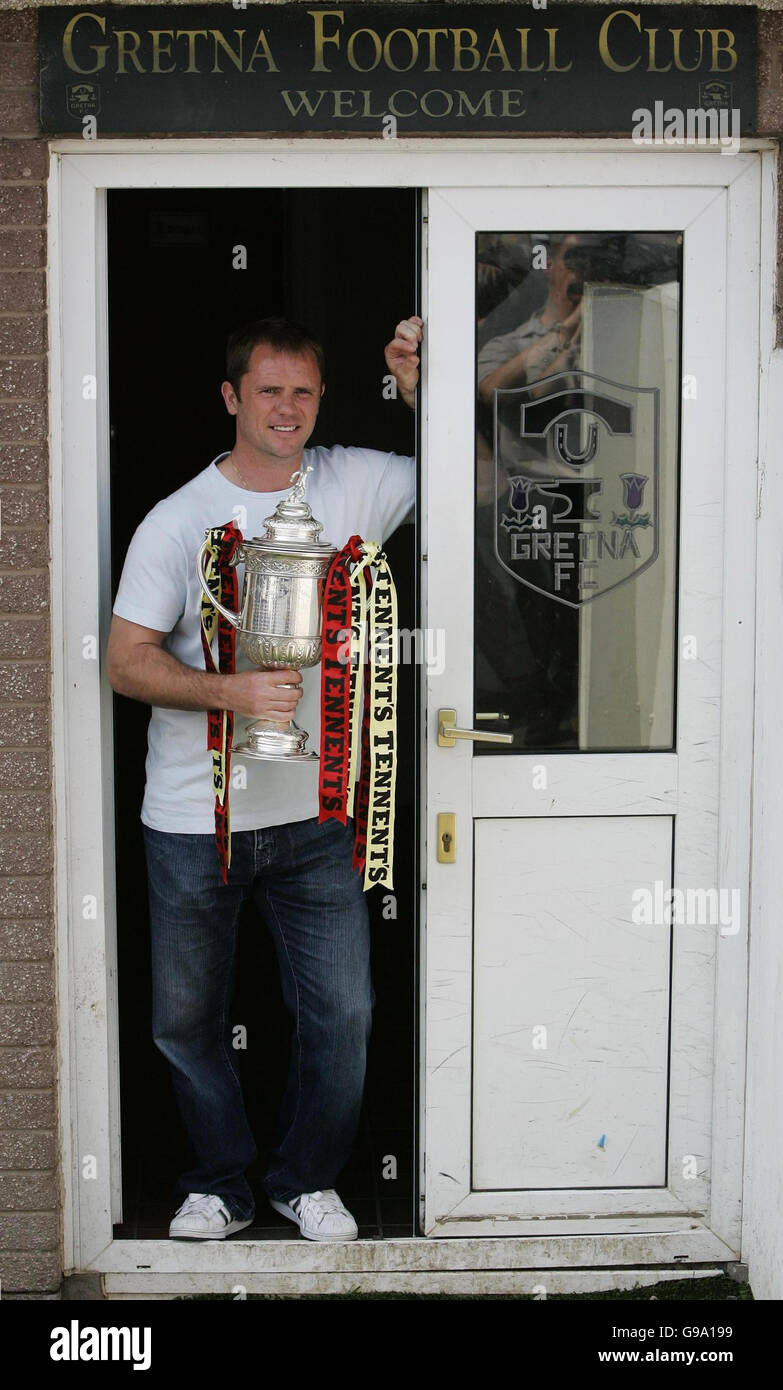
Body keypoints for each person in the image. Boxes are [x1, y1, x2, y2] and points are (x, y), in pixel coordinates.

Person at [106, 313, 423, 1242]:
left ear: (321, 400)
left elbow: (474, 474)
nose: (286, 409)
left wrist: (416, 383)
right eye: (268, 391)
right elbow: (125, 660)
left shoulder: (357, 479)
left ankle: (305, 1179)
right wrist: (228, 690)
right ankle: (217, 1184)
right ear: (231, 397)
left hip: (319, 814)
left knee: (345, 1014)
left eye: (304, 392)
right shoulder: (177, 519)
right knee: (187, 1019)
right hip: (193, 821)